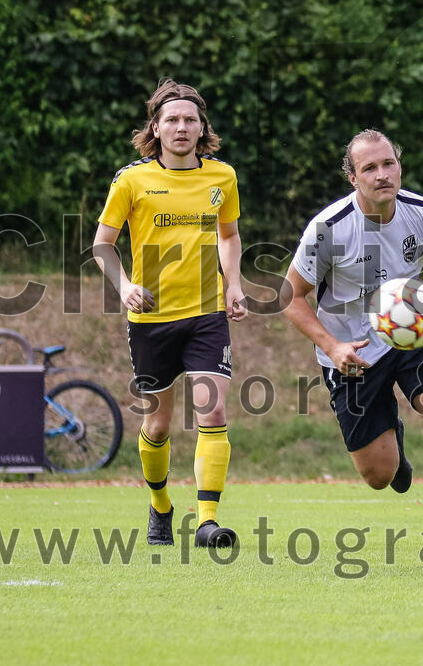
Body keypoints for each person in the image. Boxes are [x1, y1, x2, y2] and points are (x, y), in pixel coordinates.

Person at [281, 129, 423, 571]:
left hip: (412, 338)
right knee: (379, 476)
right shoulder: (329, 228)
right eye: (370, 168)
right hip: (352, 353)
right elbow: (291, 297)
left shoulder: (421, 213)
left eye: (388, 164)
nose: (382, 175)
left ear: (399, 165)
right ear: (352, 177)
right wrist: (333, 344)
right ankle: (394, 445)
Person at [93, 78, 247, 549]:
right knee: (157, 426)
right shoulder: (132, 179)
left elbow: (229, 235)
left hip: (206, 314)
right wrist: (125, 286)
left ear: (203, 128)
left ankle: (206, 522)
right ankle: (161, 504)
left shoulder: (222, 177)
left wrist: (234, 284)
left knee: (213, 408)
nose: (182, 127)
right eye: (172, 120)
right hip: (152, 320)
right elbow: (103, 245)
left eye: (190, 120)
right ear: (155, 129)